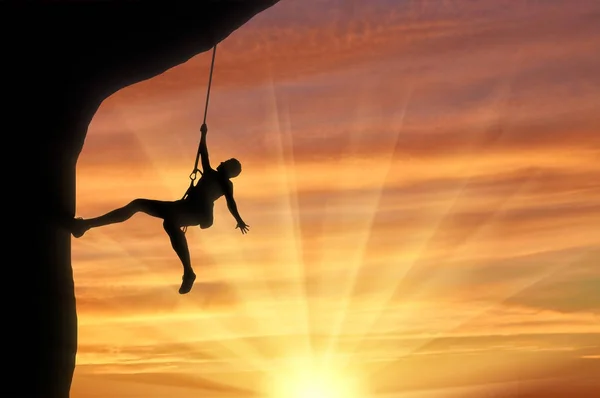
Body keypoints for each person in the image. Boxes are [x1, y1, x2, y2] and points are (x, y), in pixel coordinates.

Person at [70, 123, 250, 294]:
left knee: (169, 223)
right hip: (184, 207)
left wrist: (239, 220)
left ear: (229, 170)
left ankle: (188, 271)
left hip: (197, 213)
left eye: (227, 162)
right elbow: (204, 153)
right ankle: (86, 225)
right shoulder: (212, 174)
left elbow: (230, 202)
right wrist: (204, 134)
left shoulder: (224, 182)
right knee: (139, 204)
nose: (223, 162)